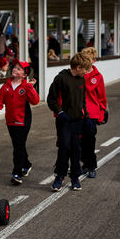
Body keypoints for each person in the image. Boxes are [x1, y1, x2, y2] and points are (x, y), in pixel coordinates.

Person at [47, 52, 92, 192]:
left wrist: (86, 116)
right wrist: (60, 113)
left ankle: (75, 177)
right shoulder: (61, 78)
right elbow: (51, 99)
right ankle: (59, 177)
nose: (86, 72)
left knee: (76, 149)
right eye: (85, 69)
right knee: (64, 148)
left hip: (79, 121)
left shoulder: (82, 79)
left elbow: (82, 101)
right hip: (64, 121)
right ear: (78, 67)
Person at [0, 60, 39, 184]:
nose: (15, 69)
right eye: (15, 67)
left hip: (23, 120)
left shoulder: (26, 86)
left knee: (18, 146)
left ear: (24, 75)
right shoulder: (6, 86)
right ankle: (26, 163)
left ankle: (17, 173)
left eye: (19, 69)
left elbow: (35, 101)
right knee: (18, 145)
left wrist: (30, 88)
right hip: (10, 121)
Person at [80, 47, 108, 179]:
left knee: (89, 141)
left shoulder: (98, 77)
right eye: (83, 59)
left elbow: (102, 97)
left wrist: (101, 114)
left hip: (92, 114)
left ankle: (91, 167)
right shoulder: (78, 74)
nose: (85, 62)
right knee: (78, 142)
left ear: (94, 61)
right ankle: (84, 164)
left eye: (88, 60)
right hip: (78, 113)